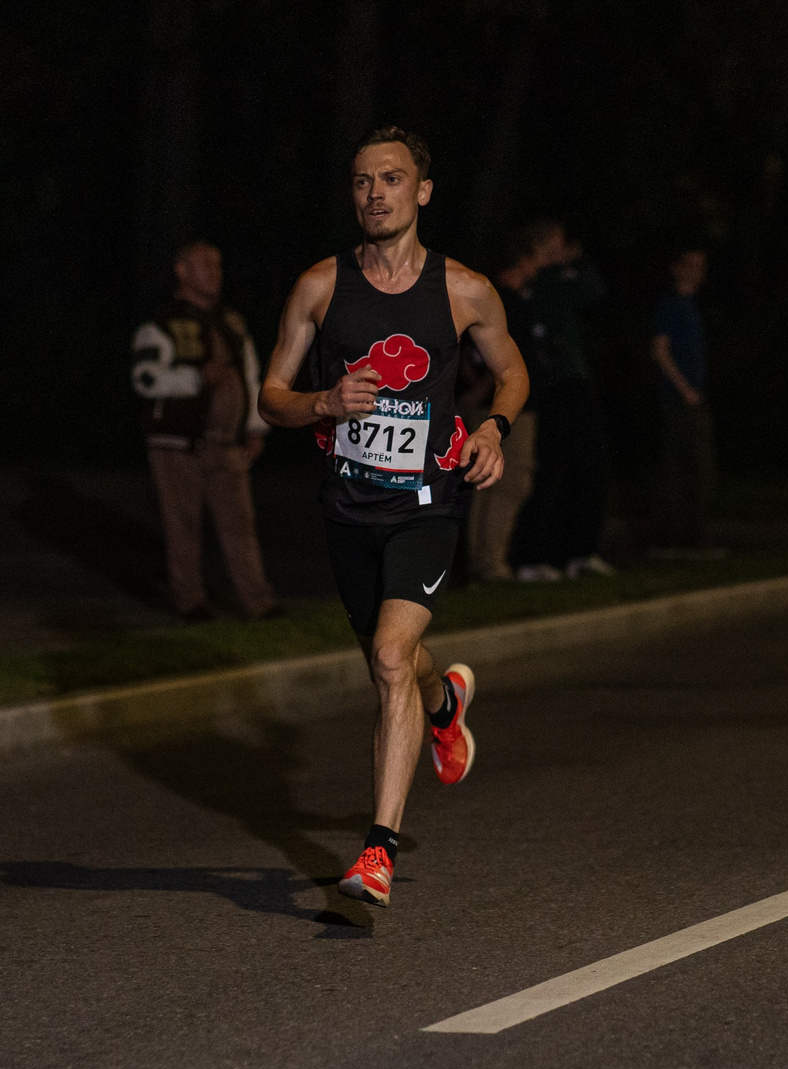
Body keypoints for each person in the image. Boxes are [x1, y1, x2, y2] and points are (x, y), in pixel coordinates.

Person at [259, 126, 528, 910]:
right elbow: (271, 393)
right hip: (347, 508)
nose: (374, 193)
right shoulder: (318, 286)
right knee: (397, 665)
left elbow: (511, 373)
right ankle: (445, 703)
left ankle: (377, 849)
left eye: (391, 178)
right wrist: (321, 401)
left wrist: (492, 429)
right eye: (362, 181)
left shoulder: (464, 288)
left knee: (385, 657)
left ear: (422, 191)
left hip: (426, 504)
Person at [131, 240, 278, 621]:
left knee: (240, 524)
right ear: (182, 270)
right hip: (178, 443)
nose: (215, 273)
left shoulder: (230, 321)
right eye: (205, 265)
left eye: (218, 265)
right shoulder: (161, 324)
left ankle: (257, 601)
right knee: (183, 524)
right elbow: (145, 379)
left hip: (227, 443)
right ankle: (190, 601)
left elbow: (250, 374)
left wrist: (255, 426)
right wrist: (195, 379)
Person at [510, 220, 611, 580]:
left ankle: (575, 552)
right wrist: (575, 264)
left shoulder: (552, 280)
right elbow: (591, 290)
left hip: (567, 384)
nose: (563, 246)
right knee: (552, 470)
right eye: (556, 241)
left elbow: (594, 292)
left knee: (583, 467)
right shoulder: (542, 282)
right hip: (556, 387)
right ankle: (537, 555)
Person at [460, 229, 543, 582]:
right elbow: (494, 360)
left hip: (489, 405)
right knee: (509, 483)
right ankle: (491, 566)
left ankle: (482, 562)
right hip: (508, 410)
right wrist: (480, 390)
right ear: (523, 259)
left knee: (485, 483)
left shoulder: (494, 297)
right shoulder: (505, 300)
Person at [648, 246, 720, 555]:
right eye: (689, 264)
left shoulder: (691, 305)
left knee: (685, 467)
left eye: (701, 265)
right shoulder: (672, 305)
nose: (696, 271)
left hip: (690, 397)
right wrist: (685, 389)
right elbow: (660, 349)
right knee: (695, 467)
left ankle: (674, 537)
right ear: (676, 268)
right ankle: (683, 538)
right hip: (680, 400)